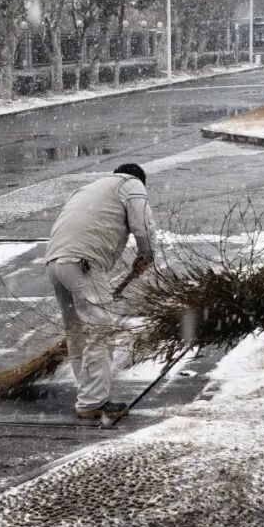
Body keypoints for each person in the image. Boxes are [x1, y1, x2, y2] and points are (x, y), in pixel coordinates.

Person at [43, 163, 156, 423]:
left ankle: (87, 395)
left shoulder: (89, 188)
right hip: (83, 262)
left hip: (55, 262)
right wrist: (146, 253)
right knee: (101, 327)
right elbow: (142, 224)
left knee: (77, 331)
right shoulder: (132, 185)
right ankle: (93, 402)